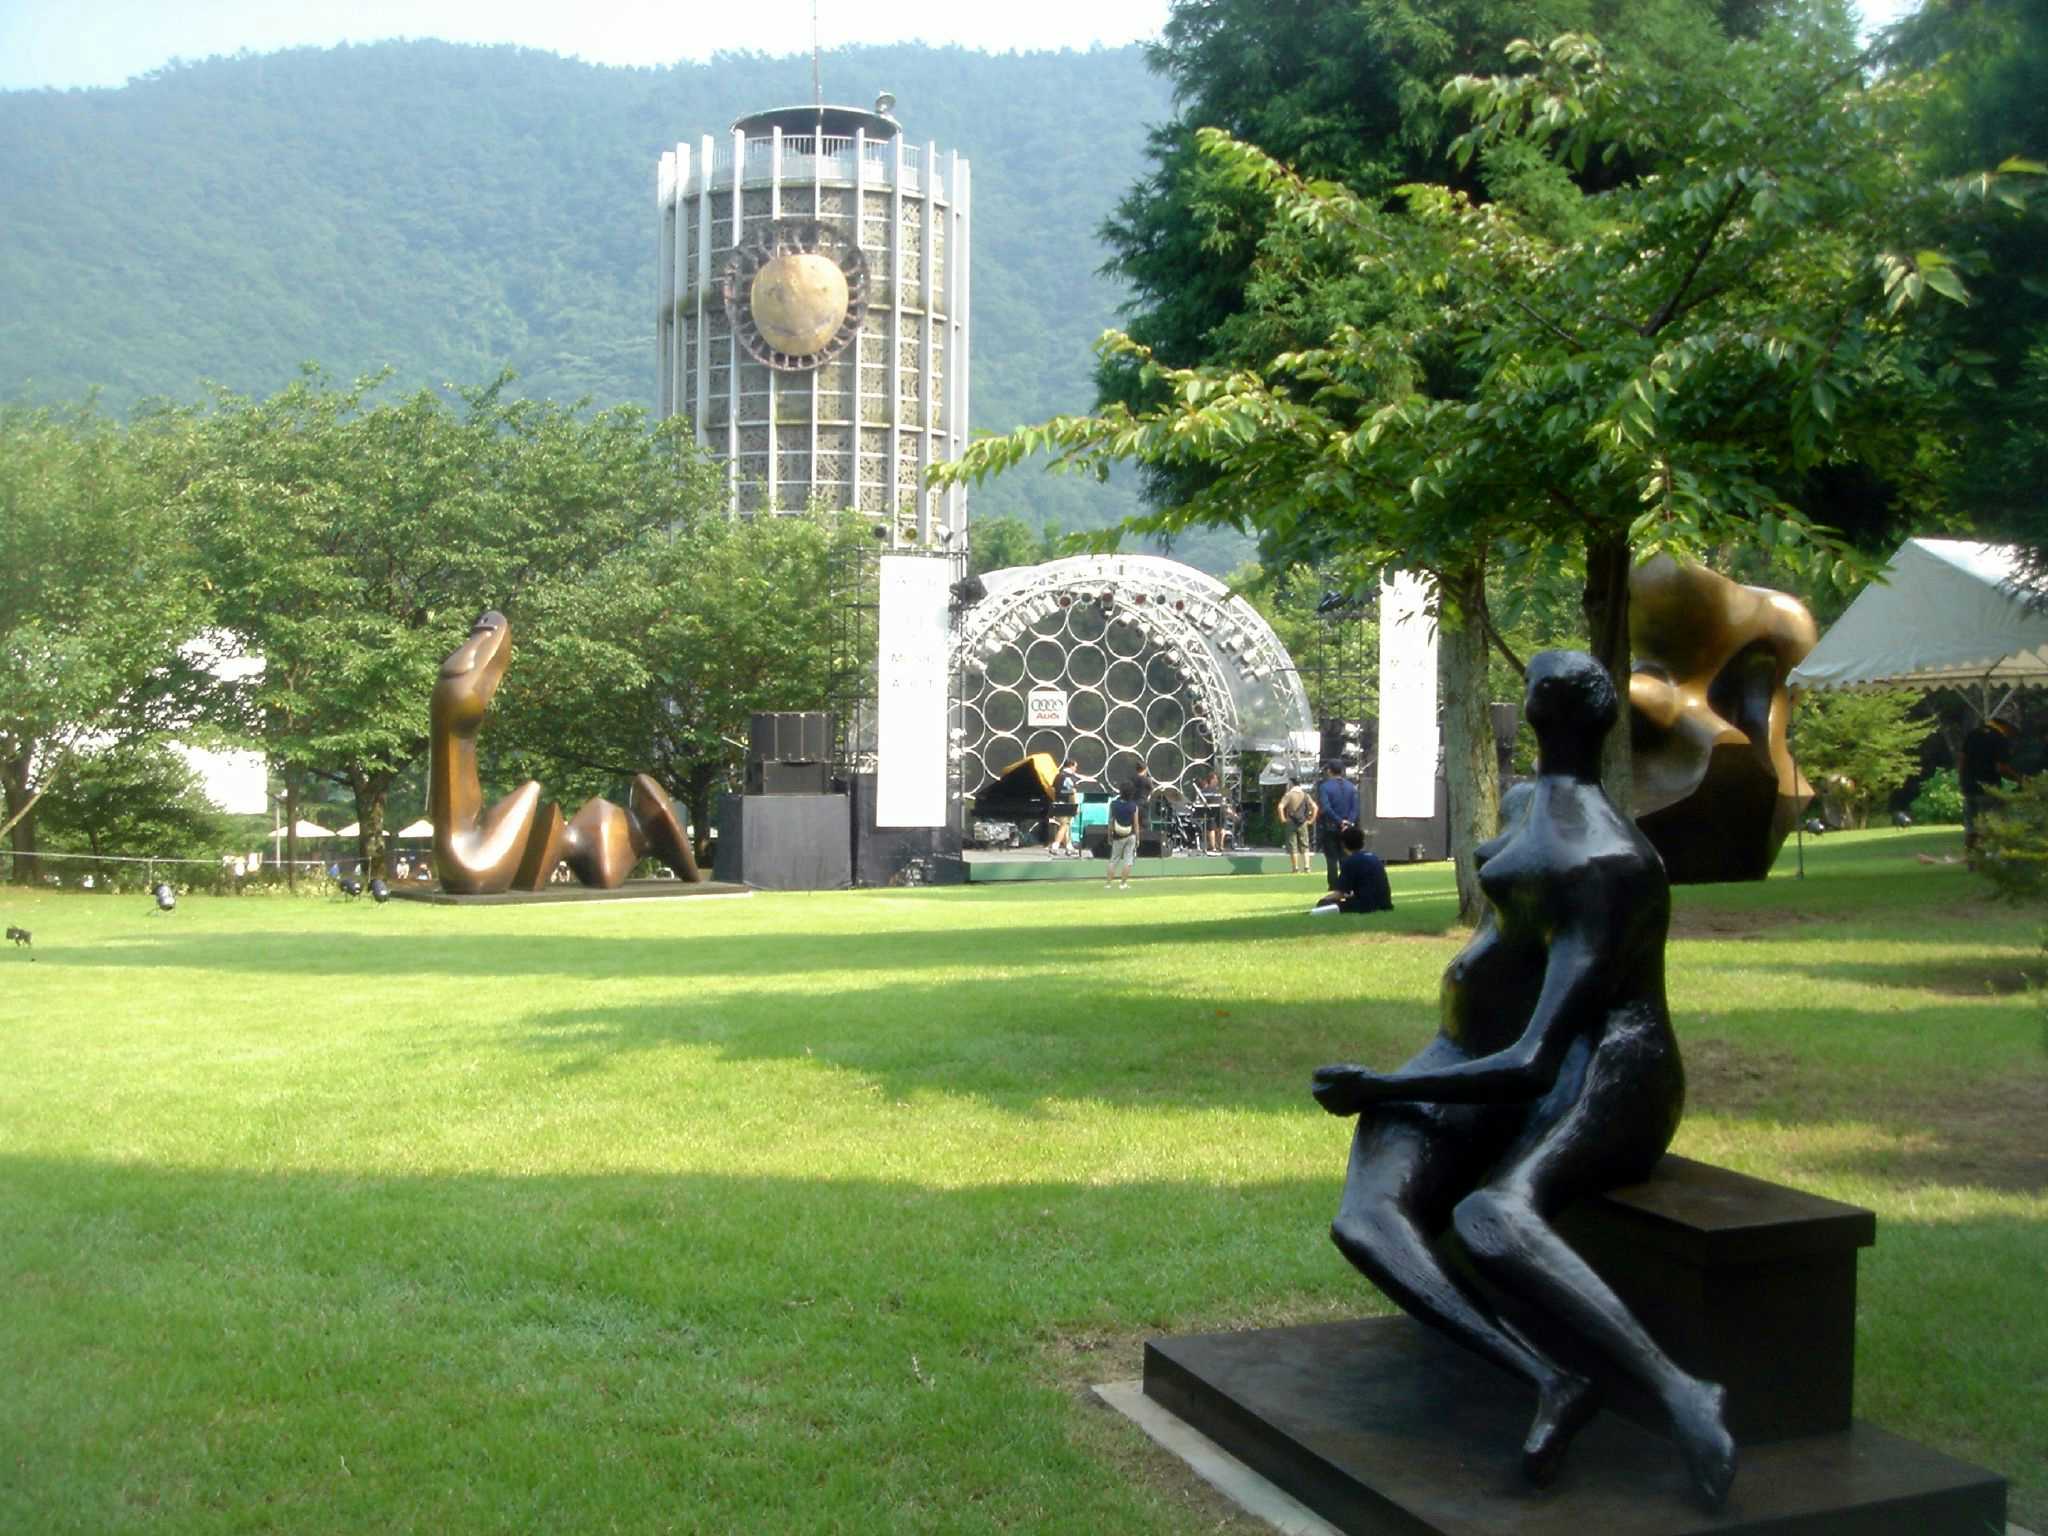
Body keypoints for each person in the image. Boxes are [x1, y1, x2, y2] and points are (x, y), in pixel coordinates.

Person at [1310, 651, 1735, 1508]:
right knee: (1365, 1221)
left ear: (1539, 708)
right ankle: (1545, 1376)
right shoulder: (1528, 803)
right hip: (1472, 1048)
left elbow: (1543, 1058)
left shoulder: (1606, 863)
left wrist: (1383, 1088)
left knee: (1493, 1216)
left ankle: (1682, 1389)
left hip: (1605, 1066)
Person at [1959, 716, 2018, 851]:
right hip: (1989, 788)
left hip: (1969, 788)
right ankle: (1992, 859)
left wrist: (1963, 780)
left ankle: (1971, 859)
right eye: (2012, 731)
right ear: (2006, 726)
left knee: (1971, 827)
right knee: (1993, 825)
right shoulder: (2000, 739)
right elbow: (2001, 768)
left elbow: (1962, 760)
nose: (2012, 735)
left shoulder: (1973, 734)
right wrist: (2019, 779)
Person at [1310, 825, 1392, 914]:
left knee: (1325, 903)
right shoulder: (1374, 857)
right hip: (1384, 903)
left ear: (1344, 845)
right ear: (1363, 842)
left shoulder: (1350, 862)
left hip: (1365, 905)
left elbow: (1339, 893)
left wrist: (1324, 899)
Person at [1315, 761, 1359, 888]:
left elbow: (1326, 808)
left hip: (1331, 826)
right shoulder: (1351, 787)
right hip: (1348, 827)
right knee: (1345, 857)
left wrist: (1339, 821)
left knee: (1331, 858)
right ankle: (1347, 883)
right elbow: (1355, 809)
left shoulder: (1325, 787)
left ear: (1329, 771)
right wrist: (1348, 822)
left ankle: (1334, 885)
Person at [1278, 775, 1318, 873]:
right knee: (1305, 845)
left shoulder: (1289, 795)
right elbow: (1315, 807)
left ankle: (1295, 868)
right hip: (1303, 822)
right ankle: (1307, 867)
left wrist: (1283, 818)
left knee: (1293, 846)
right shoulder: (1305, 795)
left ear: (1291, 784)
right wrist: (1312, 820)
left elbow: (1280, 806)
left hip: (1291, 822)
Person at [1105, 784, 1140, 890]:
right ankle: (1123, 884)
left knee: (1114, 860)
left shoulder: (1114, 804)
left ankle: (1108, 884)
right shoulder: (1133, 806)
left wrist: (1109, 836)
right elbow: (1136, 824)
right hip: (1130, 835)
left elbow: (1111, 821)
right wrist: (1138, 838)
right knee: (1128, 860)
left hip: (1117, 835)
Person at [1049, 757, 1081, 857]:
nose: (1076, 769)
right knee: (1064, 825)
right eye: (1075, 766)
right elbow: (1073, 793)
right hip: (1067, 805)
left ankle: (1069, 847)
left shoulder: (1058, 776)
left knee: (1066, 826)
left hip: (1057, 803)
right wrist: (1076, 806)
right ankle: (1055, 846)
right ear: (1071, 766)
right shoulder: (1071, 777)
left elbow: (1053, 790)